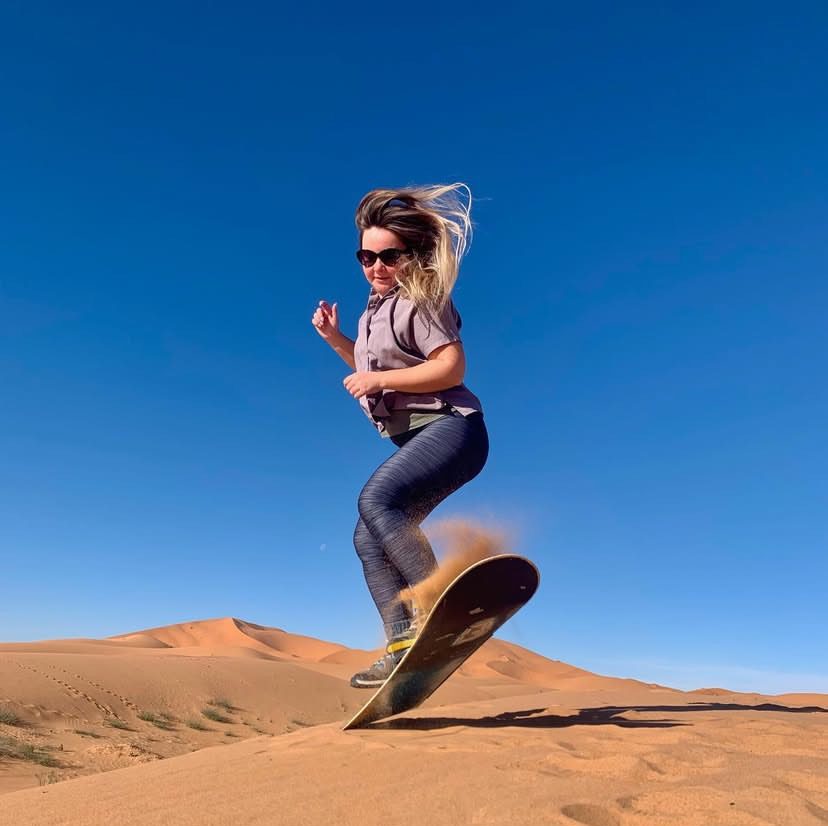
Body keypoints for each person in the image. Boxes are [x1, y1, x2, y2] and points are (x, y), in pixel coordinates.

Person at [311, 183, 489, 688]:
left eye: (389, 256)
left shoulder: (422, 299)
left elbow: (450, 367)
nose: (376, 266)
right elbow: (370, 366)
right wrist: (335, 340)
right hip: (418, 440)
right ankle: (403, 643)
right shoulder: (371, 315)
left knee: (376, 499)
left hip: (454, 430)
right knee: (366, 536)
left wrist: (379, 380)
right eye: (366, 256)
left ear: (412, 256)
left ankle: (437, 604)